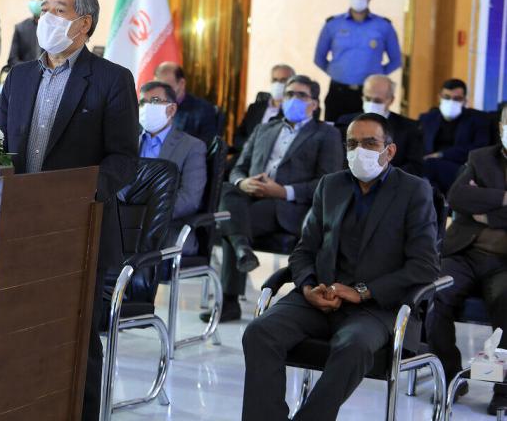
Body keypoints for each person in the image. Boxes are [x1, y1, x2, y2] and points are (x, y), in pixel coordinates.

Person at [0, 0, 138, 421]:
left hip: (78, 229)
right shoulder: (19, 76)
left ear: (83, 23)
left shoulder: (112, 79)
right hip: (17, 228)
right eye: (44, 9)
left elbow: (123, 158)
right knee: (17, 332)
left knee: (74, 338)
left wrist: (77, 196)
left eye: (57, 10)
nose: (46, 17)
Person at [240, 113, 439, 421]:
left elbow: (425, 266)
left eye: (370, 143)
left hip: (377, 307)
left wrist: (362, 292)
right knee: (259, 332)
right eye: (352, 144)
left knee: (353, 346)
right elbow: (304, 250)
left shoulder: (414, 191)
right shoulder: (331, 185)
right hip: (320, 297)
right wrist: (308, 286)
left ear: (389, 151)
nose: (360, 151)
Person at [216, 75, 342, 321]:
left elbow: (327, 182)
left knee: (232, 220)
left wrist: (284, 191)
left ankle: (231, 293)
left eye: (301, 95)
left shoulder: (326, 134)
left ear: (314, 104)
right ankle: (242, 247)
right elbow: (238, 168)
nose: (293, 99)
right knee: (228, 190)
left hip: (288, 206)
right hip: (250, 197)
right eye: (289, 94)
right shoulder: (264, 128)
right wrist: (244, 182)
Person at [426, 107, 507, 414]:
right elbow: (458, 198)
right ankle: (450, 376)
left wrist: (486, 209)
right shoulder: (481, 157)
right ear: (500, 126)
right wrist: (504, 198)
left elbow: (472, 203)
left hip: (504, 264)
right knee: (434, 295)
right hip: (465, 253)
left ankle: (501, 387)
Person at [313, 0, 402, 121]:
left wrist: (377, 76)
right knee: (335, 132)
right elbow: (319, 58)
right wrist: (337, 72)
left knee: (369, 132)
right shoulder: (333, 24)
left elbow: (396, 60)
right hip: (338, 92)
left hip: (369, 96)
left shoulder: (384, 26)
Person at [137, 80, 207, 252]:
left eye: (154, 101)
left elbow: (189, 198)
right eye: (142, 102)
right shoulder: (127, 143)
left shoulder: (192, 147)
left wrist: (148, 214)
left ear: (172, 109)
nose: (146, 107)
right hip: (125, 224)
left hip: (168, 228)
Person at [335, 74, 424, 176]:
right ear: (362, 97)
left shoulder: (410, 128)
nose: (371, 104)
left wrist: (382, 176)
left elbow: (415, 167)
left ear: (391, 100)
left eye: (377, 101)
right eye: (368, 99)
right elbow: (337, 159)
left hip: (392, 183)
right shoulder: (345, 123)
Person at [419, 78, 491, 194]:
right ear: (439, 97)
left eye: (457, 99)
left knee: (428, 166)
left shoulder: (478, 119)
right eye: (446, 97)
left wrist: (442, 154)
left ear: (465, 101)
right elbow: (417, 143)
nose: (451, 102)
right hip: (429, 166)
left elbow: (479, 149)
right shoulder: (428, 118)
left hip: (460, 167)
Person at [232, 64, 295, 155]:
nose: (278, 84)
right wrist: (248, 146)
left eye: (283, 80)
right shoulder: (255, 108)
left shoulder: (295, 111)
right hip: (246, 157)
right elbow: (238, 136)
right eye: (275, 80)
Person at [154, 61, 224, 144]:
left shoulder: (204, 110)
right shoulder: (151, 107)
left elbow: (205, 147)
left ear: (182, 83)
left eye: (167, 87)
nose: (162, 93)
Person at [8, 0, 46, 66]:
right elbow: (12, 60)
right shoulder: (20, 28)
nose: (36, 1)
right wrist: (30, 69)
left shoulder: (58, 28)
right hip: (26, 73)